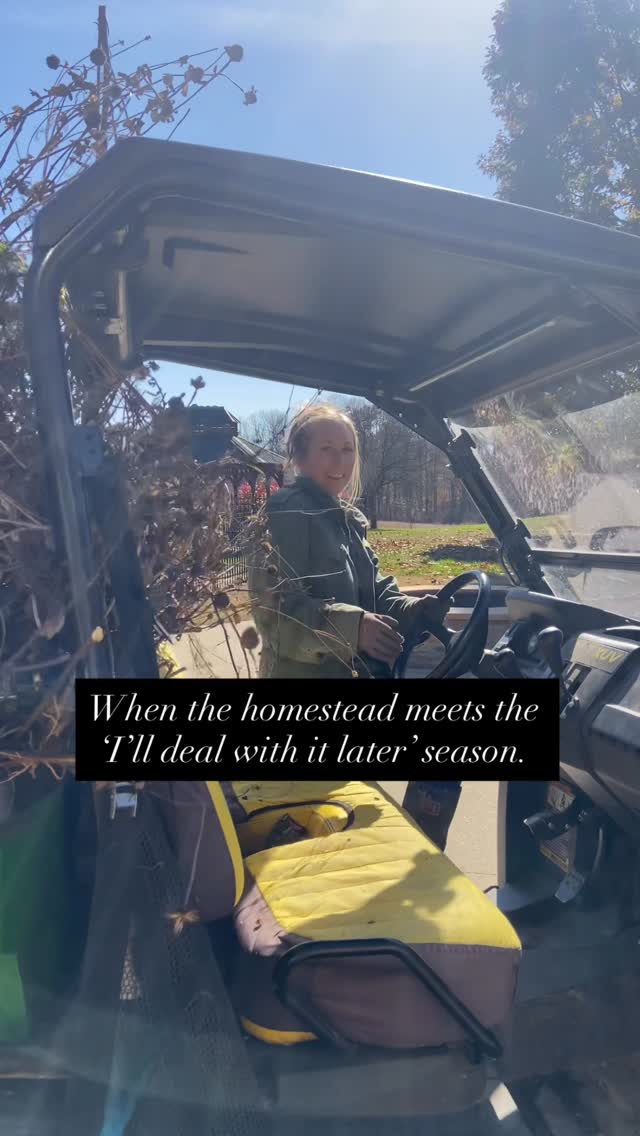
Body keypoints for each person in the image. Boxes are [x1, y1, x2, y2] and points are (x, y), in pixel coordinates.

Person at [249, 402, 460, 848]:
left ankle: (419, 846)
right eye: (327, 449)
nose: (340, 461)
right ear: (299, 457)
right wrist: (354, 627)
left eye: (347, 450)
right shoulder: (287, 514)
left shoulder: (347, 521)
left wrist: (414, 609)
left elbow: (378, 592)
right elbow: (276, 614)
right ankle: (410, 848)